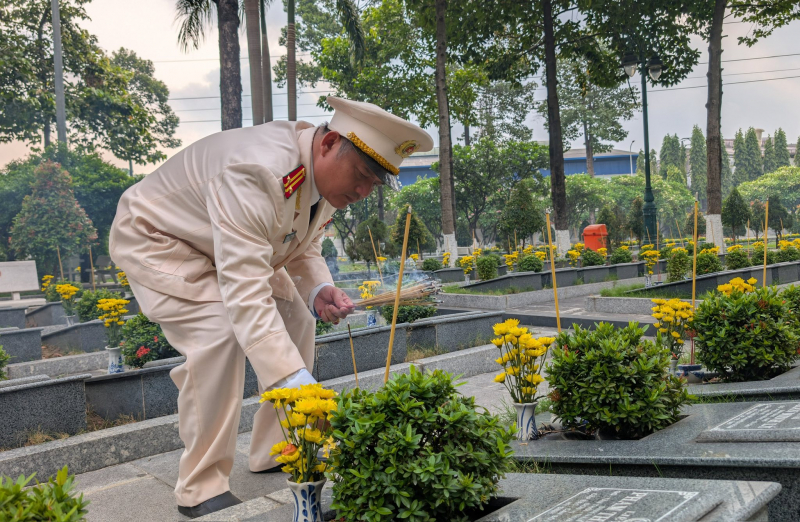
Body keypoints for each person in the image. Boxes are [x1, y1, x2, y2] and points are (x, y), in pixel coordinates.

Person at [109, 97, 433, 518]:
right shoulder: (258, 171)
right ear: (329, 142)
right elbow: (244, 292)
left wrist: (319, 289)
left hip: (222, 244)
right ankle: (200, 487)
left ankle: (275, 449)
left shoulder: (324, 179)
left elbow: (303, 243)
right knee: (218, 332)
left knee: (297, 314)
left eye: (374, 184)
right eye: (361, 176)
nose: (362, 191)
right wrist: (293, 380)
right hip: (161, 238)